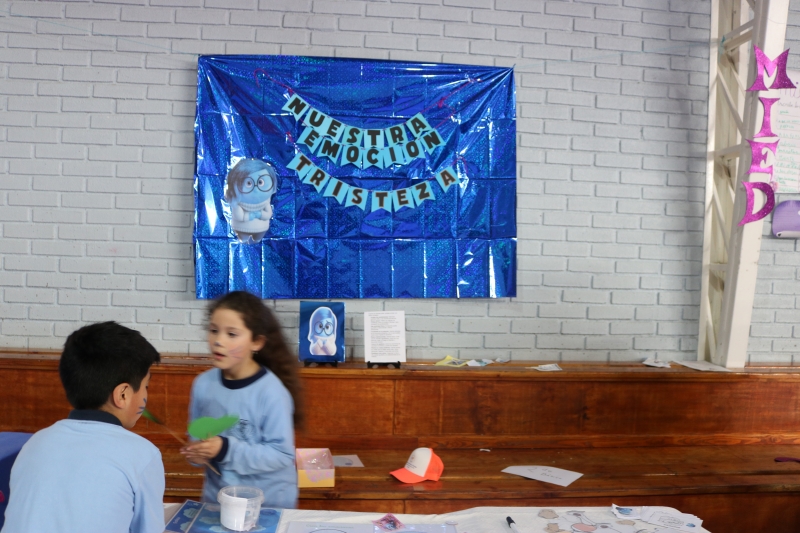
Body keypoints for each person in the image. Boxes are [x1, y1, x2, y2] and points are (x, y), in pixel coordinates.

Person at [1, 322, 164, 533]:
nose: (146, 395)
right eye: (146, 386)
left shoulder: (35, 443)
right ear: (123, 394)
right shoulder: (143, 455)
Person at [181, 291, 302, 509]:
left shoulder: (271, 392)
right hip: (219, 500)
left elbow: (282, 455)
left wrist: (225, 449)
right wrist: (196, 453)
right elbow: (195, 436)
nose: (218, 341)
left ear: (256, 342)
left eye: (232, 334)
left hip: (268, 504)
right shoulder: (202, 384)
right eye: (214, 331)